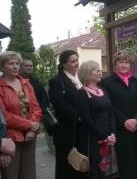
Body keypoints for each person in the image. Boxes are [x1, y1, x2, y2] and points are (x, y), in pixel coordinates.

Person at [101, 50, 137, 179]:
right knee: (125, 163)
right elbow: (109, 105)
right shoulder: (107, 82)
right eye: (121, 62)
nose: (124, 65)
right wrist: (124, 121)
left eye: (127, 62)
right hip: (120, 129)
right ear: (115, 64)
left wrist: (136, 120)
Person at [0, 51, 42, 179]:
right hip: (10, 138)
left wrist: (32, 129)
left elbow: (37, 109)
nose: (15, 66)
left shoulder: (26, 83)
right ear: (2, 66)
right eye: (10, 63)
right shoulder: (1, 86)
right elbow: (3, 115)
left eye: (17, 63)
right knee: (11, 174)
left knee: (29, 174)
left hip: (30, 137)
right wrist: (29, 125)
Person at [76, 60, 116, 179]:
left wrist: (112, 133)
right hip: (92, 141)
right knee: (94, 173)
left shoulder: (104, 91)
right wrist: (104, 136)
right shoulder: (82, 94)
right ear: (88, 74)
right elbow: (86, 120)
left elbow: (111, 113)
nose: (100, 72)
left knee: (107, 173)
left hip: (108, 140)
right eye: (97, 70)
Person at [48, 50, 83, 179]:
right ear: (64, 64)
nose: (76, 63)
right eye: (72, 61)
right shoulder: (57, 81)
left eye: (77, 60)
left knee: (80, 164)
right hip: (66, 132)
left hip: (80, 130)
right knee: (65, 167)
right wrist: (80, 115)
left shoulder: (80, 79)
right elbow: (59, 105)